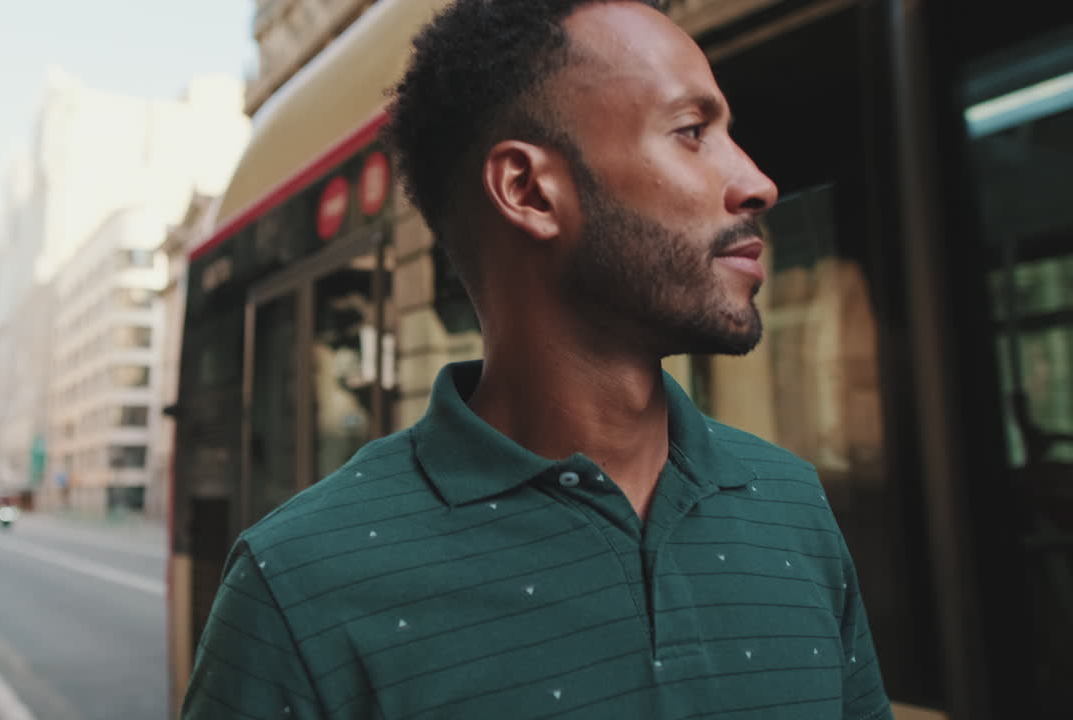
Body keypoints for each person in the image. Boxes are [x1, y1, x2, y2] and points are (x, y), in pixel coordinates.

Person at [183, 1, 892, 718]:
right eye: (691, 133)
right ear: (527, 191)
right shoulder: (295, 591)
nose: (758, 182)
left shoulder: (791, 506)